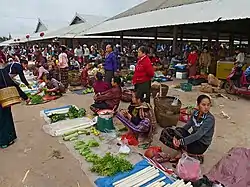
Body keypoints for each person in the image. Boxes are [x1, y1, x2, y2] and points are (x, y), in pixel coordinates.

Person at [164, 95, 215, 163]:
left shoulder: (209, 119)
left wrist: (181, 142)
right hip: (194, 139)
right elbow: (187, 126)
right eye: (203, 105)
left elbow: (197, 135)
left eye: (208, 105)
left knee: (180, 141)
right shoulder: (195, 113)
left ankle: (189, 153)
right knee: (169, 132)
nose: (206, 107)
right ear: (198, 105)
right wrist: (176, 136)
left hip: (200, 144)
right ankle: (182, 151)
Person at [0, 63, 29, 148]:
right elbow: (12, 85)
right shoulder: (2, 73)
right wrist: (25, 97)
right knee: (4, 119)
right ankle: (4, 141)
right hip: (3, 99)